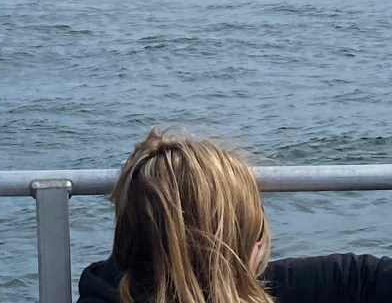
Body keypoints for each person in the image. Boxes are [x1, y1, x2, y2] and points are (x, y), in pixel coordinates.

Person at [77, 128, 391, 303]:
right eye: (252, 230)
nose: (261, 242)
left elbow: (357, 276)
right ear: (227, 250)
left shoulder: (110, 288)